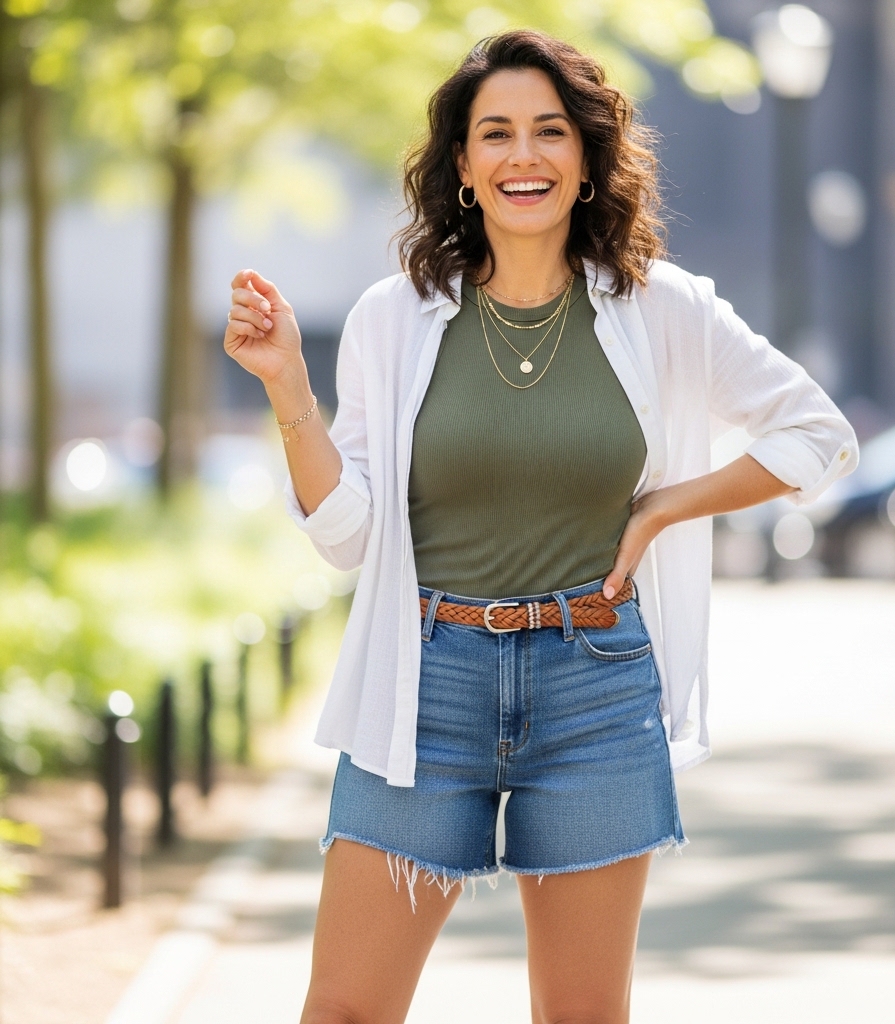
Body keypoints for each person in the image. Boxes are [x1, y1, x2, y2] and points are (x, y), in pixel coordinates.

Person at [224, 29, 857, 1024]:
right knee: (344, 1009)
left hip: (593, 687)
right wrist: (291, 396)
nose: (524, 155)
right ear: (465, 170)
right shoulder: (395, 321)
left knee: (582, 1015)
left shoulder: (665, 311)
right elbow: (348, 535)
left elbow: (817, 433)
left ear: (588, 159)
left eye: (550, 132)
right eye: (497, 134)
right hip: (423, 686)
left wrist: (664, 505)